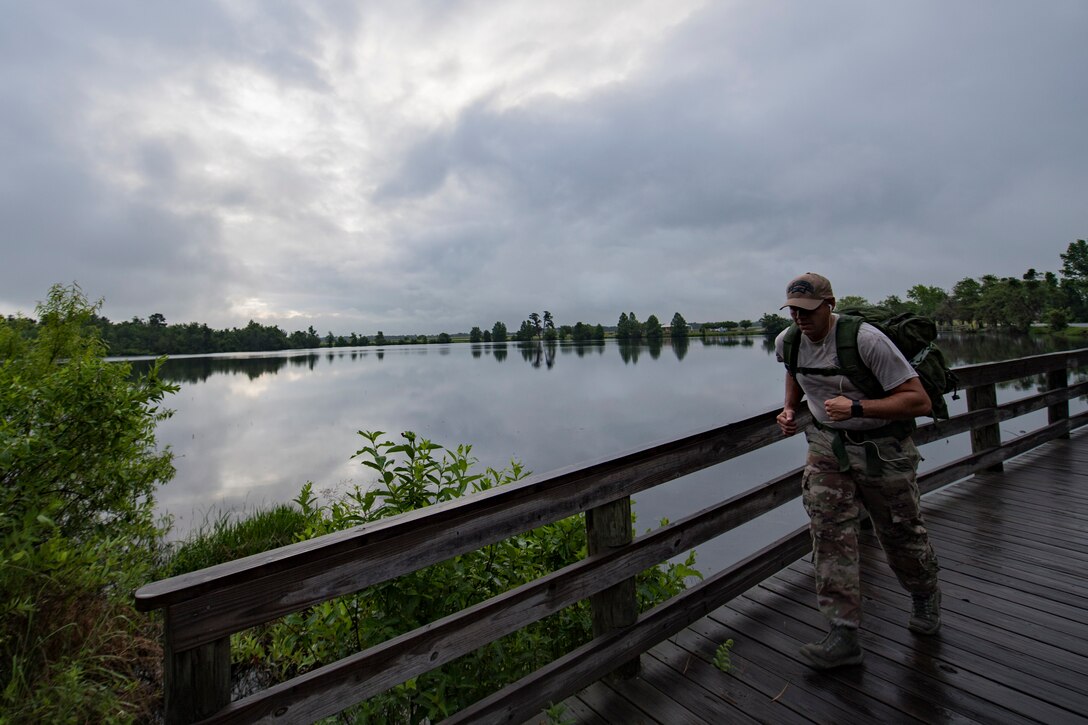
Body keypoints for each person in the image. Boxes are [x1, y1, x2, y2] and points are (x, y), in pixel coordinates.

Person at [774, 272, 941, 670]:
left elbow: (919, 401)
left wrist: (859, 408)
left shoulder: (866, 340)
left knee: (900, 532)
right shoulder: (788, 341)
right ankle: (843, 633)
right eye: (794, 310)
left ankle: (924, 594)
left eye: (808, 310)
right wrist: (788, 408)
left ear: (830, 304)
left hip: (884, 449)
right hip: (827, 447)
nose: (800, 318)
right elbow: (795, 373)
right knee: (829, 534)